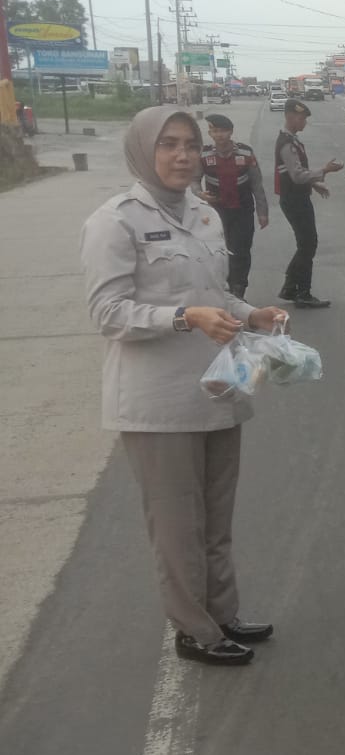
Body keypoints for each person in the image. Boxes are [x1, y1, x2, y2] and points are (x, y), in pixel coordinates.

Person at [80, 106, 290, 665]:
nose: (182, 155)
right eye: (168, 144)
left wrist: (252, 315)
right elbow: (108, 312)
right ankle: (194, 629)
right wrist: (183, 317)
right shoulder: (115, 220)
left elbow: (216, 295)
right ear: (143, 151)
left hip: (218, 393)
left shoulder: (203, 215)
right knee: (177, 527)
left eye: (191, 144)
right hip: (158, 405)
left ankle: (223, 612)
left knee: (217, 518)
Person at [275, 97, 342, 309]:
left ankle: (290, 287)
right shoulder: (287, 143)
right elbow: (296, 175)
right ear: (290, 117)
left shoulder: (293, 140)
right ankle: (301, 292)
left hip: (297, 197)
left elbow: (297, 173)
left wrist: (315, 184)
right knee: (308, 244)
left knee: (306, 244)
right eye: (301, 118)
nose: (304, 122)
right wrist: (324, 171)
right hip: (294, 200)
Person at [196, 113, 269, 299]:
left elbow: (257, 184)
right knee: (218, 250)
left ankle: (239, 289)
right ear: (210, 133)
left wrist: (263, 212)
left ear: (230, 132)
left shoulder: (245, 152)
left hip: (242, 210)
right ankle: (223, 288)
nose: (219, 135)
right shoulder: (204, 154)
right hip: (216, 212)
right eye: (215, 131)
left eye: (222, 131)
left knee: (241, 250)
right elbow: (194, 181)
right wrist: (200, 194)